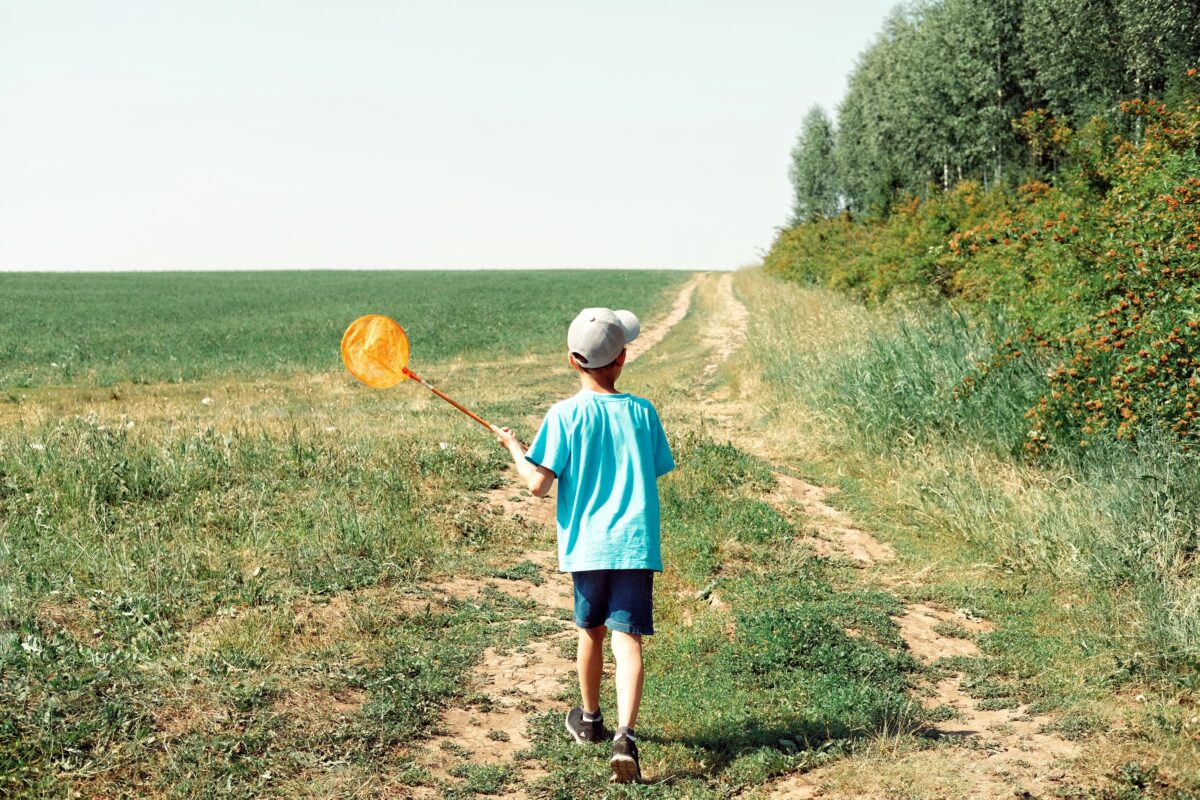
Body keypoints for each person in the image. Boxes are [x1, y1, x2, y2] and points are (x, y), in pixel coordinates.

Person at [494, 307, 674, 784]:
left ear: (572, 361)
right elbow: (654, 466)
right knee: (627, 637)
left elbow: (537, 483)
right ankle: (625, 735)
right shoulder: (642, 411)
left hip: (587, 546)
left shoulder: (563, 415)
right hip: (634, 544)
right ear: (623, 358)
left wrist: (513, 446)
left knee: (589, 631)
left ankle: (590, 720)